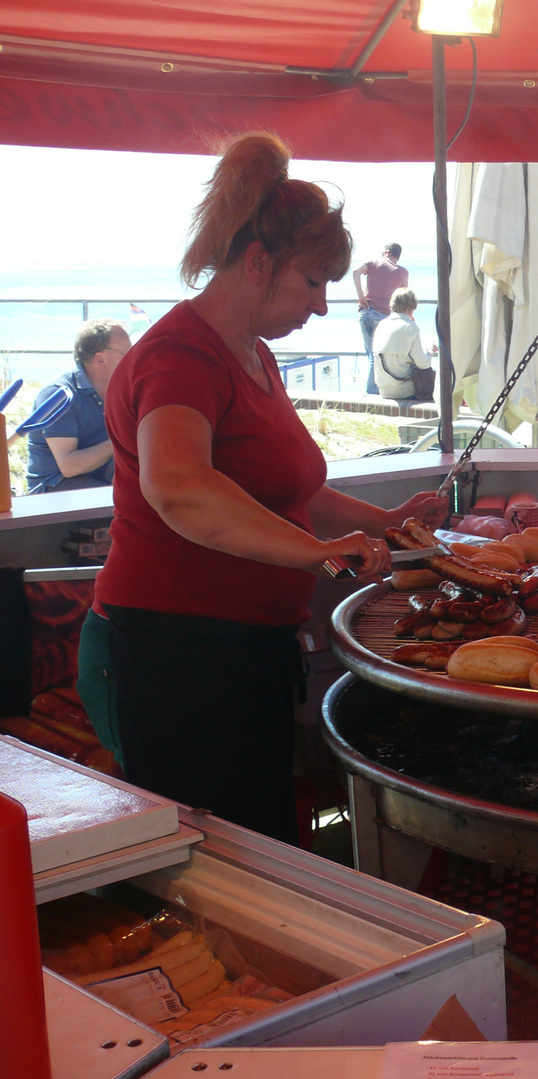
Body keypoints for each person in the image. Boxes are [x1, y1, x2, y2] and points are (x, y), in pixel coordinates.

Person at [80, 133, 447, 846]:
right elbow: (180, 489)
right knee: (215, 860)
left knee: (261, 843)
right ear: (258, 262)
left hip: (244, 651)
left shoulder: (255, 356)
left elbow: (292, 489)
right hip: (172, 657)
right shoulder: (179, 358)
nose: (320, 308)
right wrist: (316, 554)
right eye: (311, 282)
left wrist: (389, 522)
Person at [24, 319, 128, 494]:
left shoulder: (122, 390)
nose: (133, 359)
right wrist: (121, 439)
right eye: (126, 353)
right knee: (127, 501)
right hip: (54, 489)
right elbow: (69, 466)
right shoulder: (58, 396)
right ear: (100, 358)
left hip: (99, 480)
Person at [353, 243, 408, 395]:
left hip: (364, 312)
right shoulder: (402, 272)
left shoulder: (373, 262)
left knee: (370, 353)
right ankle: (372, 391)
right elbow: (405, 298)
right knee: (376, 355)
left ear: (387, 252)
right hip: (383, 316)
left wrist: (361, 297)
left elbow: (355, 272)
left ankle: (372, 390)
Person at [373, 288, 435, 402]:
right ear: (411, 307)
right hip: (404, 390)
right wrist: (431, 353)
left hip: (384, 389)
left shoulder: (382, 325)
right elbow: (423, 364)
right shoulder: (411, 328)